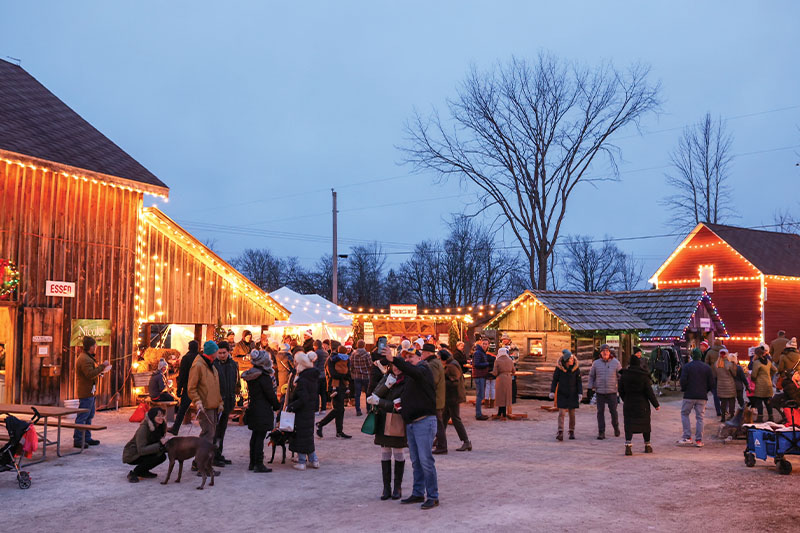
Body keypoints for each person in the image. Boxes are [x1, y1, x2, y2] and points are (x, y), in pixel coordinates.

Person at [388, 347, 439, 510]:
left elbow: (413, 372)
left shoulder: (423, 370)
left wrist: (395, 360)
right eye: (406, 357)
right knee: (416, 461)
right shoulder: (410, 375)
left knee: (425, 460)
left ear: (420, 357)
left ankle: (433, 496)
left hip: (424, 421)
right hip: (412, 422)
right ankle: (418, 492)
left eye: (411, 357)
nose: (408, 359)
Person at [365, 359, 407, 500]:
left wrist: (381, 402)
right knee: (385, 452)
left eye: (399, 366)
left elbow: (399, 404)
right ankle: (386, 487)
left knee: (398, 452)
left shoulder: (406, 381)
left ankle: (397, 487)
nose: (396, 369)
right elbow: (374, 394)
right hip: (382, 419)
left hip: (397, 420)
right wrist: (387, 386)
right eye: (394, 366)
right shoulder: (386, 377)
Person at [242, 350, 281, 472]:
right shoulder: (263, 377)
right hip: (263, 409)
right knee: (259, 437)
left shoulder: (253, 374)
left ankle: (252, 462)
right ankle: (258, 464)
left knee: (255, 436)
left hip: (254, 407)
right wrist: (276, 405)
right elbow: (270, 394)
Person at [619, 347, 660, 455]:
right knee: (645, 424)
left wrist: (625, 399)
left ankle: (628, 446)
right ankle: (647, 445)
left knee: (629, 424)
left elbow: (621, 390)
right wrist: (656, 404)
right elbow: (649, 391)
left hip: (629, 404)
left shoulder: (624, 375)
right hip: (643, 404)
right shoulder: (643, 376)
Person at [74, 336, 111, 448]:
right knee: (83, 416)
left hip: (91, 392)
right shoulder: (84, 359)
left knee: (89, 416)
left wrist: (100, 371)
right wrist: (102, 366)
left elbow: (92, 372)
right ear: (91, 347)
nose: (96, 347)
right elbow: (89, 374)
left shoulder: (87, 357)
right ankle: (78, 440)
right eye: (95, 345)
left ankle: (87, 437)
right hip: (86, 392)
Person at [286, 351, 320, 470]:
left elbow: (302, 398)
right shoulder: (312, 377)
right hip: (309, 410)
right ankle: (313, 459)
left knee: (301, 435)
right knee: (307, 435)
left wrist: (292, 406)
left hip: (302, 411)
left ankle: (302, 461)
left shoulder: (302, 380)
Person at [677, 347, 714, 447]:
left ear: (692, 356)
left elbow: (683, 380)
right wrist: (705, 391)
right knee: (700, 418)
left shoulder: (687, 367)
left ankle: (687, 437)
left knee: (685, 414)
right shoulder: (707, 367)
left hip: (689, 395)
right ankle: (699, 440)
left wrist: (684, 389)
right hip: (702, 396)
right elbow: (711, 383)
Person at [188, 341, 222, 447]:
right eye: (217, 351)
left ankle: (203, 461)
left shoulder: (212, 367)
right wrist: (197, 401)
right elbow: (191, 387)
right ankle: (199, 462)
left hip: (213, 405)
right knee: (207, 434)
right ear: (212, 353)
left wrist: (220, 402)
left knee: (211, 434)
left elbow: (215, 387)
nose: (218, 354)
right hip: (205, 406)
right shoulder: (198, 366)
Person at [212, 340, 240, 466]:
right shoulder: (213, 365)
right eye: (220, 353)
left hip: (228, 400)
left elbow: (236, 380)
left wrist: (236, 393)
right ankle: (213, 456)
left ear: (228, 352)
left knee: (222, 430)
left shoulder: (233, 364)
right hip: (217, 402)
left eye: (224, 353)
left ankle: (218, 453)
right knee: (215, 431)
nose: (222, 355)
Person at [123, 407, 168, 483]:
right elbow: (141, 450)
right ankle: (134, 473)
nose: (161, 418)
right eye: (158, 416)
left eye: (162, 416)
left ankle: (143, 471)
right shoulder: (144, 428)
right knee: (157, 456)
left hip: (146, 450)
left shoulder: (160, 426)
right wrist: (159, 445)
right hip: (133, 454)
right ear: (152, 417)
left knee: (162, 456)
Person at [588, 343, 622, 440]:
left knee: (613, 412)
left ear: (609, 352)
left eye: (607, 351)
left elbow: (620, 376)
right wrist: (590, 388)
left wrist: (621, 388)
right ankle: (601, 432)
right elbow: (591, 376)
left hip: (612, 391)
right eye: (603, 351)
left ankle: (616, 427)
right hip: (600, 392)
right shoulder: (596, 363)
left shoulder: (616, 363)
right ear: (601, 353)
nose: (605, 353)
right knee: (600, 412)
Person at [317, 347, 352, 439]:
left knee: (341, 409)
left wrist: (345, 376)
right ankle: (320, 424)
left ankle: (339, 431)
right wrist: (344, 376)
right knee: (338, 409)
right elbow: (332, 374)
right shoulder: (331, 360)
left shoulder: (345, 359)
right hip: (333, 386)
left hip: (342, 385)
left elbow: (349, 372)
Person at [440, 348, 470, 452]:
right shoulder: (451, 363)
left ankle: (466, 441)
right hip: (450, 397)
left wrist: (442, 382)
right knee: (443, 419)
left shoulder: (451, 366)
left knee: (456, 419)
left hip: (453, 397)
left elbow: (455, 381)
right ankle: (439, 439)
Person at [549, 349, 582, 441]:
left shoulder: (576, 369)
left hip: (573, 393)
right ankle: (560, 431)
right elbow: (555, 380)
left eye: (572, 358)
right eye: (570, 359)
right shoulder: (559, 369)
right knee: (561, 413)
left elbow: (579, 382)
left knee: (572, 414)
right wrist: (552, 391)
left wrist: (580, 393)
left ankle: (571, 431)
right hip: (562, 393)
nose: (572, 360)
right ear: (566, 360)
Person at [419, 344, 446, 455]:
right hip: (437, 397)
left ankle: (442, 446)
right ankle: (439, 444)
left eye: (423, 352)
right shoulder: (435, 362)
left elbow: (432, 381)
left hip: (435, 398)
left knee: (438, 423)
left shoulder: (432, 364)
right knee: (438, 422)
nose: (421, 354)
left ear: (428, 353)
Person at [169, 340, 199, 435]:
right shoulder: (200, 358)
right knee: (203, 408)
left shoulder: (186, 358)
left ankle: (175, 428)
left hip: (188, 387)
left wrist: (179, 389)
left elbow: (182, 375)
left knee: (182, 409)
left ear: (189, 347)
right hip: (199, 387)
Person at [751, 346, 776, 422]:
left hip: (760, 384)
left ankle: (760, 418)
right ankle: (771, 417)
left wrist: (753, 379)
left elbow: (754, 375)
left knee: (759, 402)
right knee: (768, 402)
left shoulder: (756, 363)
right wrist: (769, 375)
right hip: (768, 383)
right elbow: (775, 369)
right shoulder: (768, 362)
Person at [714, 348, 737, 422]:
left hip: (720, 385)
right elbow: (734, 374)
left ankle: (723, 416)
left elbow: (715, 375)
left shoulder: (716, 364)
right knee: (731, 401)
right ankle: (732, 415)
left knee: (723, 402)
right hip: (730, 385)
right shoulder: (729, 364)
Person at [350, 340, 372, 416]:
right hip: (366, 376)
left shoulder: (353, 354)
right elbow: (370, 365)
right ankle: (368, 409)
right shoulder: (367, 354)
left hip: (357, 376)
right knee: (368, 393)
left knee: (357, 394)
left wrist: (353, 372)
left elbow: (351, 365)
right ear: (364, 345)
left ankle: (358, 410)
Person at [492, 347, 514, 419]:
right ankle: (503, 413)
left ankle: (500, 413)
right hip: (508, 378)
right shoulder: (510, 360)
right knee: (506, 395)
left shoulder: (497, 361)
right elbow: (514, 371)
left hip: (500, 378)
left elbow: (495, 372)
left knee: (500, 396)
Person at [704, 339, 725, 416]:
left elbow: (706, 363)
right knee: (724, 392)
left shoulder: (710, 352)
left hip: (713, 374)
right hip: (723, 373)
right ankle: (725, 409)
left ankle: (718, 411)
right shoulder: (724, 351)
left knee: (715, 393)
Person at [472, 339, 490, 420]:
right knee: (480, 396)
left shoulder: (482, 352)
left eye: (486, 344)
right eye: (483, 344)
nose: (485, 345)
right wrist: (487, 364)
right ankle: (478, 414)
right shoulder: (478, 352)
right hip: (479, 376)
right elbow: (476, 364)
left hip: (482, 375)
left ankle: (479, 413)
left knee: (481, 395)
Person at [313, 339, 329, 414]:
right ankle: (323, 409)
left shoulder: (316, 353)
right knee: (323, 393)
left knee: (316, 393)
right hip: (324, 375)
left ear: (316, 346)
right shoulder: (326, 353)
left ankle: (316, 409)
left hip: (318, 375)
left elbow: (315, 365)